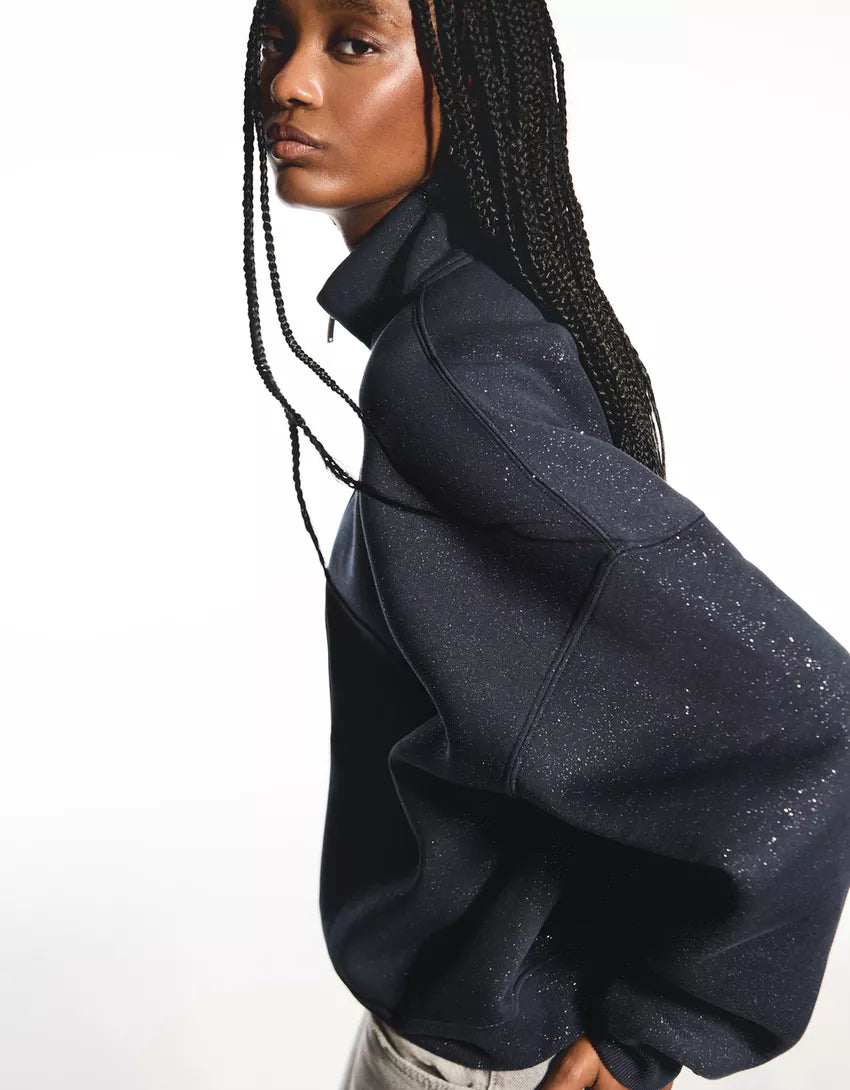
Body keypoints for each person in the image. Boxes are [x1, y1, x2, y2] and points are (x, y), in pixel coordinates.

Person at [241, 1, 850, 1088]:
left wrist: (661, 1024)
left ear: (471, 86)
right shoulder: (480, 319)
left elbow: (811, 707)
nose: (287, 81)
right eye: (275, 39)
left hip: (480, 1056)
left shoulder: (446, 373)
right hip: (506, 1025)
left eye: (353, 43)